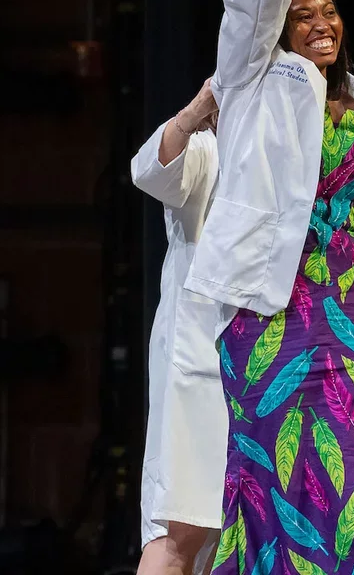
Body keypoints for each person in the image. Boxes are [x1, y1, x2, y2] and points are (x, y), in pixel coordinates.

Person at [183, 0, 354, 573]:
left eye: (329, 10)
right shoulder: (252, 86)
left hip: (348, 326)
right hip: (266, 329)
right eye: (302, 14)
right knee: (273, 493)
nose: (321, 23)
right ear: (275, 30)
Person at [131, 79, 227, 575]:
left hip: (264, 364)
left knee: (241, 534)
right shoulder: (207, 148)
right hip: (196, 362)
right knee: (179, 529)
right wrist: (196, 111)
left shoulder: (289, 163)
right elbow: (150, 171)